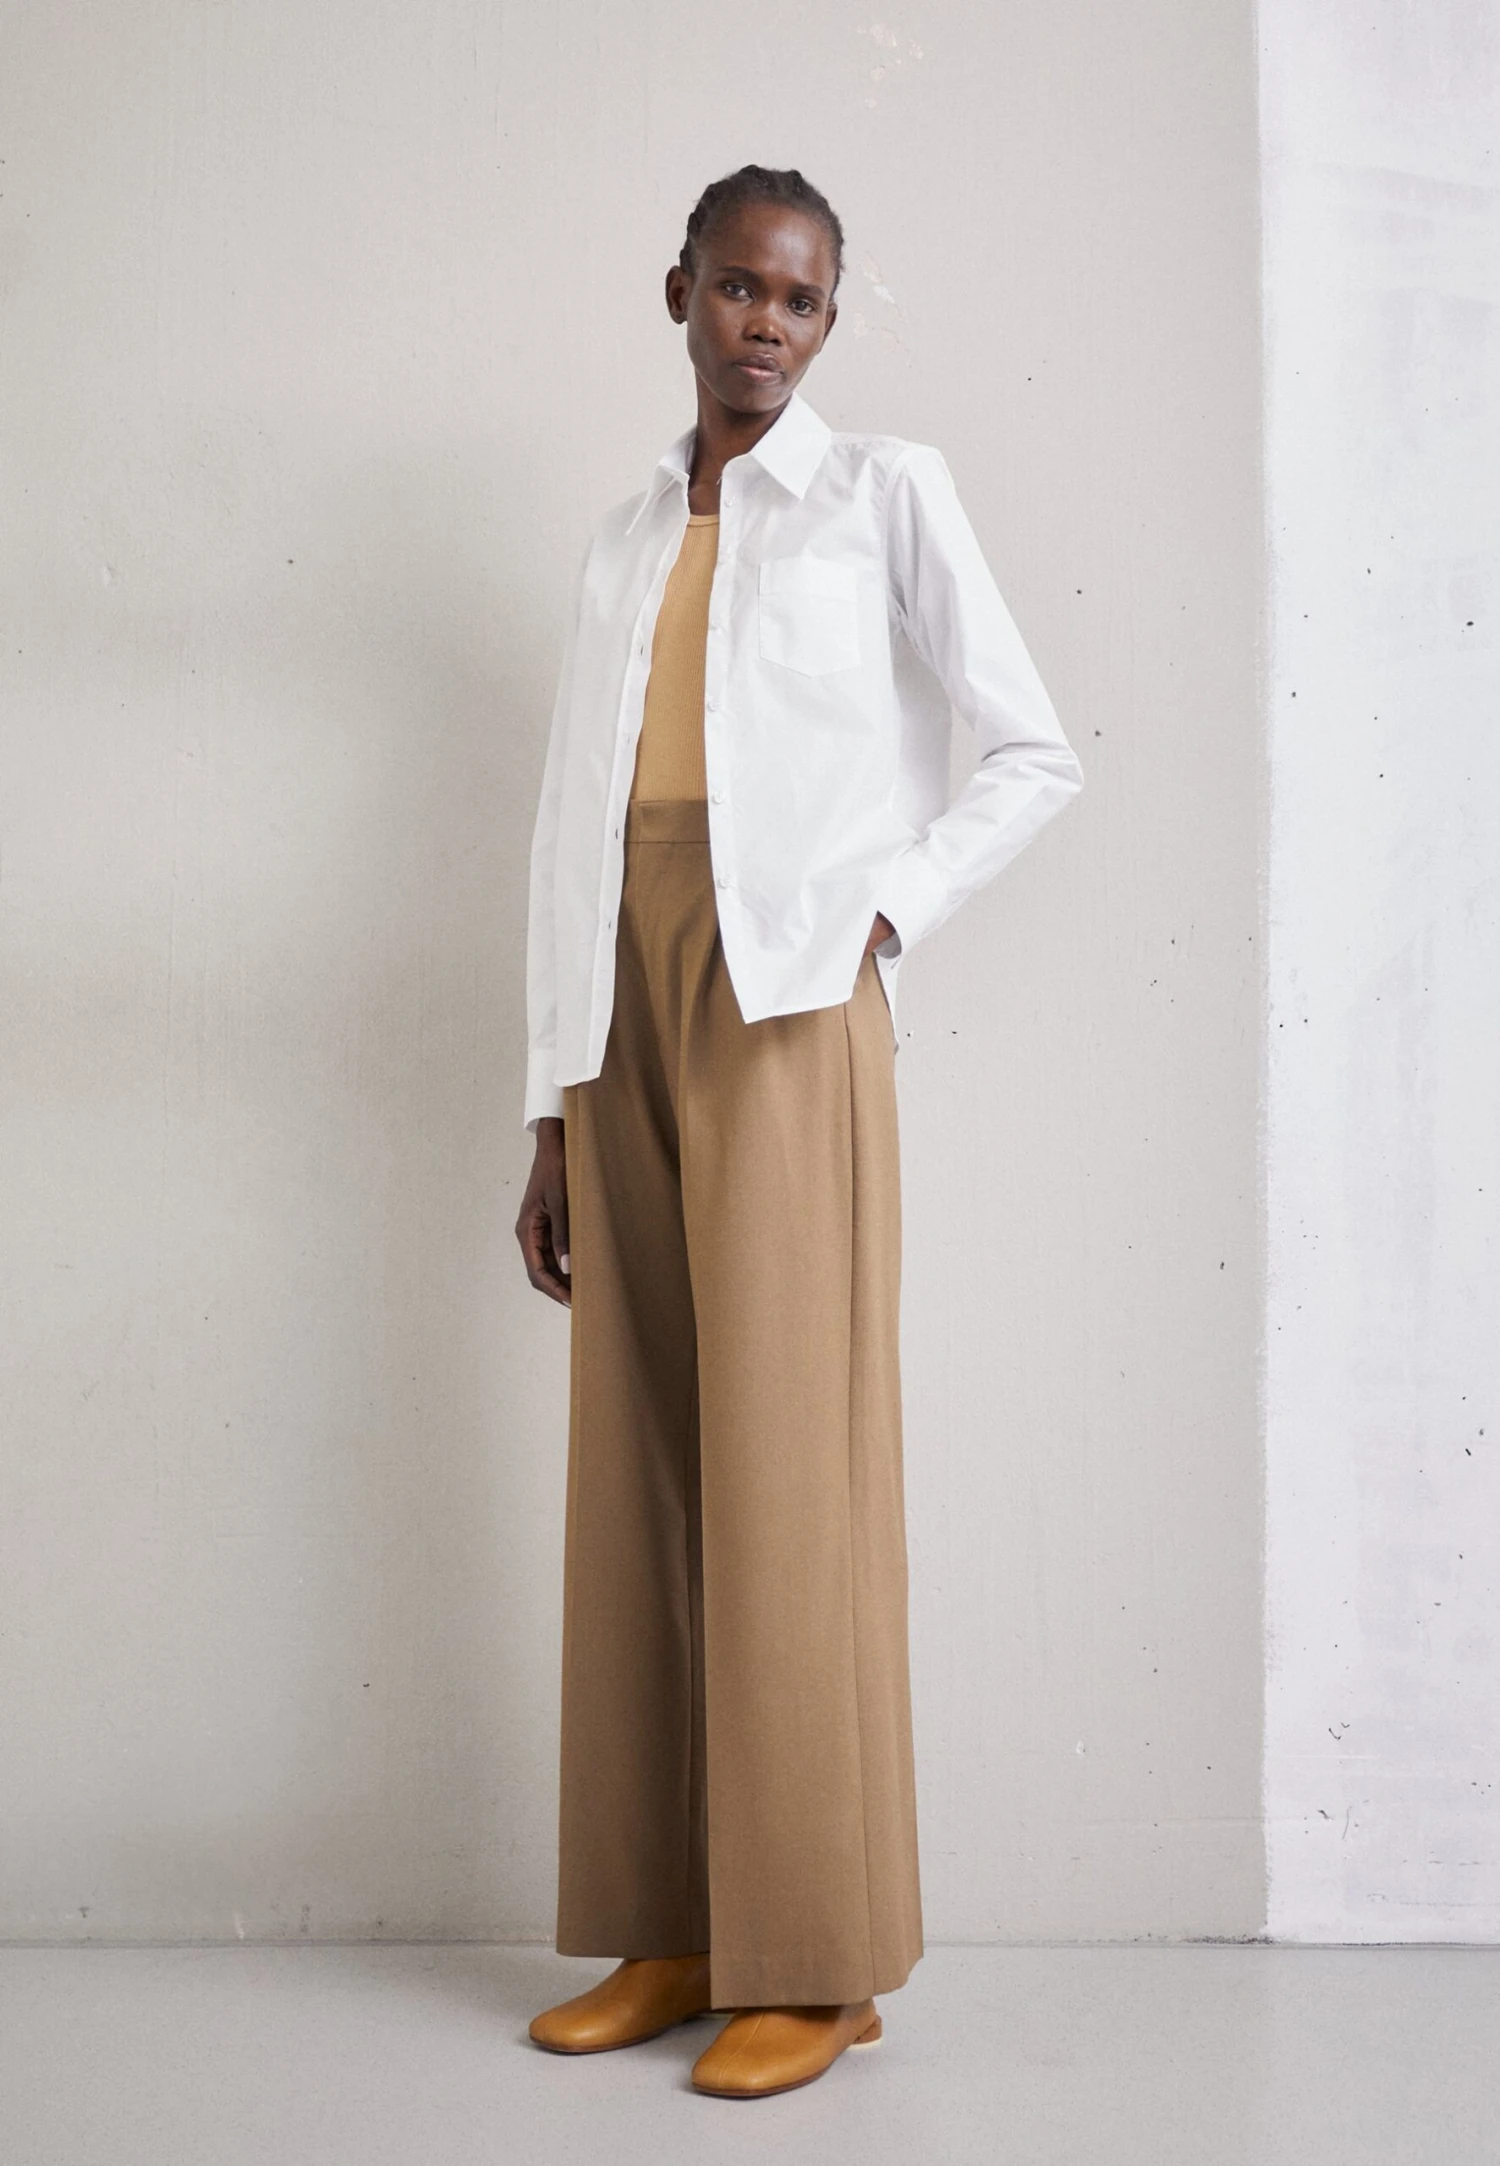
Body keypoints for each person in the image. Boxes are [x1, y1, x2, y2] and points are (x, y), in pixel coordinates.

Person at [515, 163, 1083, 2101]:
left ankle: (820, 1959)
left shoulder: (881, 494)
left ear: (830, 320)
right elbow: (569, 823)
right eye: (740, 288)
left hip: (785, 1004)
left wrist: (881, 914)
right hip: (624, 1006)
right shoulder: (620, 537)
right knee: (644, 1471)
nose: (767, 324)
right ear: (677, 288)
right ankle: (677, 1925)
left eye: (803, 300)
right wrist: (549, 1104)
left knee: (790, 1471)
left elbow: (1033, 748)